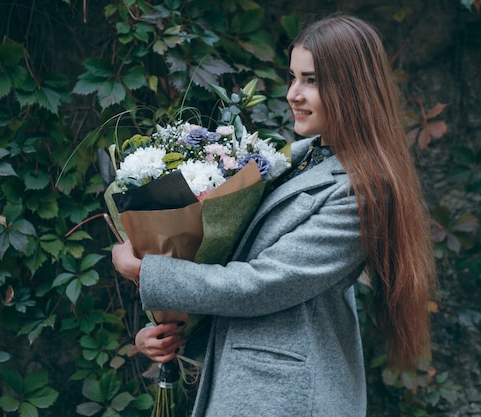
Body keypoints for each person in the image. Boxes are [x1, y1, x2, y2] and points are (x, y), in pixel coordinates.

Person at [112, 13, 436, 417]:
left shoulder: (364, 191)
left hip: (287, 398)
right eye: (292, 77)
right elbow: (236, 275)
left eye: (312, 80)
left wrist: (147, 272)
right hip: (254, 390)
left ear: (354, 88)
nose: (293, 94)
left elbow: (263, 285)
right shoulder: (292, 161)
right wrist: (172, 334)